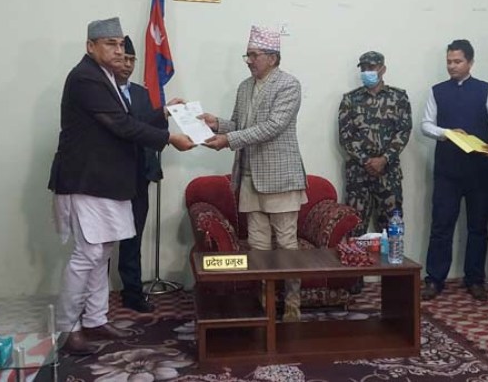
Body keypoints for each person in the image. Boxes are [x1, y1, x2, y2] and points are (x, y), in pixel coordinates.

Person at [49, 18, 194, 355]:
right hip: (86, 180)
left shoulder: (106, 78)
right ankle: (68, 328)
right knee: (87, 255)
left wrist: (163, 113)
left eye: (120, 44)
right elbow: (120, 126)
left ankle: (95, 319)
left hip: (106, 182)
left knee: (102, 254)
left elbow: (129, 122)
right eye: (110, 44)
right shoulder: (85, 78)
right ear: (90, 46)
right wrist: (168, 139)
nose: (118, 50)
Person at [199, 25, 307, 322]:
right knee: (258, 246)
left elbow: (273, 127)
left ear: (273, 57)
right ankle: (265, 303)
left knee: (286, 245)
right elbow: (239, 125)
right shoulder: (245, 87)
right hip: (249, 177)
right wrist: (217, 124)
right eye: (247, 55)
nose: (248, 60)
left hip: (281, 178)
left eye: (254, 55)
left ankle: (293, 304)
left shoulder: (289, 85)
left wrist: (228, 140)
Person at [420, 40, 488, 302]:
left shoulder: (486, 89)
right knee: (441, 225)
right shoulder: (437, 91)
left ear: (470, 62)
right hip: (448, 169)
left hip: (480, 169)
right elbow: (425, 125)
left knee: (478, 227)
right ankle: (435, 279)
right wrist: (446, 132)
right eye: (449, 62)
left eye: (458, 61)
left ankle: (475, 279)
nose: (452, 66)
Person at [109, 35, 166, 313]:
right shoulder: (104, 92)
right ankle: (96, 295)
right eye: (123, 59)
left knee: (134, 236)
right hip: (109, 177)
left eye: (132, 60)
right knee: (102, 240)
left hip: (139, 175)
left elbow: (149, 128)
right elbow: (124, 128)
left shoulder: (143, 94)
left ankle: (132, 293)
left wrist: (165, 113)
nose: (128, 64)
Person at [337, 51, 411, 238]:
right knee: (354, 231)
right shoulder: (350, 99)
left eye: (371, 67)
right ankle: (357, 259)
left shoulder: (398, 97)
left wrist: (383, 159)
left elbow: (403, 132)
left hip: (389, 174)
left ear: (382, 69)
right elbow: (345, 136)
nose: (366, 72)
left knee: (393, 232)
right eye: (363, 68)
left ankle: (390, 259)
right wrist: (367, 161)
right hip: (358, 175)